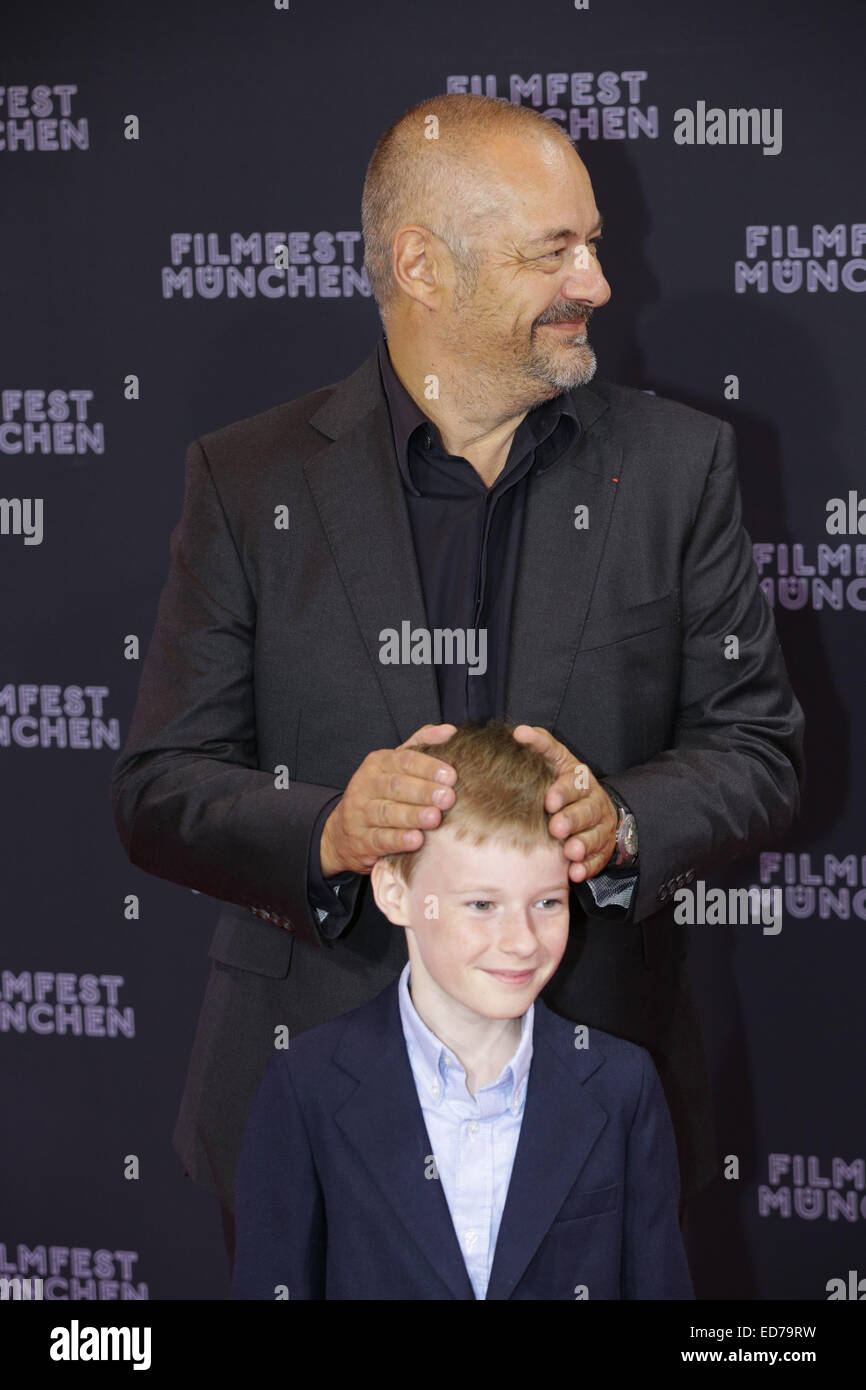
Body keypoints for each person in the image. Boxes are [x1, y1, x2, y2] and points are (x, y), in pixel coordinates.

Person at [110, 92, 805, 1265]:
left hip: (589, 1099)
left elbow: (760, 749)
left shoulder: (677, 467)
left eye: (594, 243)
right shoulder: (247, 481)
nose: (594, 281)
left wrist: (623, 816)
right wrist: (327, 827)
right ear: (421, 266)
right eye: (555, 250)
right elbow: (158, 786)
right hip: (309, 1101)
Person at [230, 721, 693, 1300]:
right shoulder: (307, 1087)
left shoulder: (623, 1087)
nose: (522, 940)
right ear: (395, 892)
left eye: (547, 902)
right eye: (482, 904)